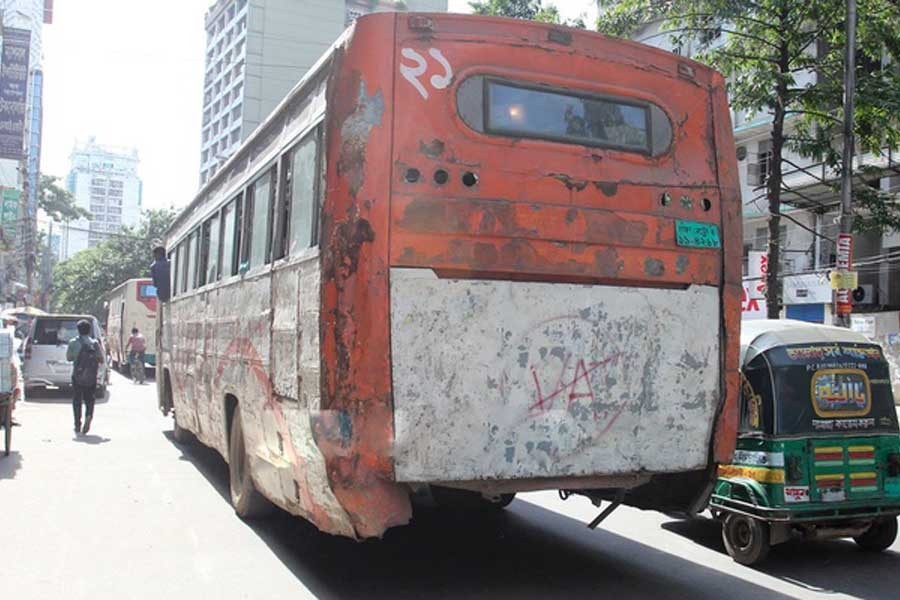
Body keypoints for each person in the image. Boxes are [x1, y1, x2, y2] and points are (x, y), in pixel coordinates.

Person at [66, 320, 102, 435]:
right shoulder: (95, 343)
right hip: (91, 375)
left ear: (78, 330)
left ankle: (77, 424)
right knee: (89, 399)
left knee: (77, 399)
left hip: (77, 375)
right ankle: (89, 415)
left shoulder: (73, 342)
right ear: (89, 330)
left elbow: (69, 358)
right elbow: (101, 359)